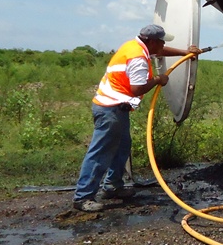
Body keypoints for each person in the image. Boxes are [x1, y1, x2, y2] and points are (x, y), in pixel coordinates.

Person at [73, 24, 201, 212]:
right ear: (152, 41)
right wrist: (158, 79)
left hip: (116, 108)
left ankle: (112, 186)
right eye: (161, 41)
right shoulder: (138, 58)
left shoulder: (135, 45)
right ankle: (83, 197)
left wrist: (185, 52)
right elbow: (137, 89)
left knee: (122, 147)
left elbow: (160, 51)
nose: (163, 44)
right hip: (111, 109)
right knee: (101, 152)